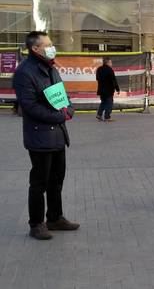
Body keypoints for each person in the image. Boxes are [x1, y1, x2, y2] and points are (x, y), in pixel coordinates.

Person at [12, 31, 80, 240]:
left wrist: (68, 109)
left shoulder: (50, 67)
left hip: (58, 135)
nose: (52, 47)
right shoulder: (25, 72)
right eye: (48, 44)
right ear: (35, 48)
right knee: (39, 182)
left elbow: (62, 94)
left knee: (56, 180)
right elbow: (29, 106)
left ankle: (55, 217)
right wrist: (58, 117)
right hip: (39, 136)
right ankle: (36, 224)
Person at [96, 57, 120, 122]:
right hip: (108, 90)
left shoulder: (99, 69)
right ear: (108, 62)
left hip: (101, 90)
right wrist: (117, 89)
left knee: (103, 102)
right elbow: (113, 80)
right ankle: (107, 117)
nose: (111, 64)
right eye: (111, 62)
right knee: (109, 103)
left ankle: (99, 115)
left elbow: (97, 79)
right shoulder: (110, 70)